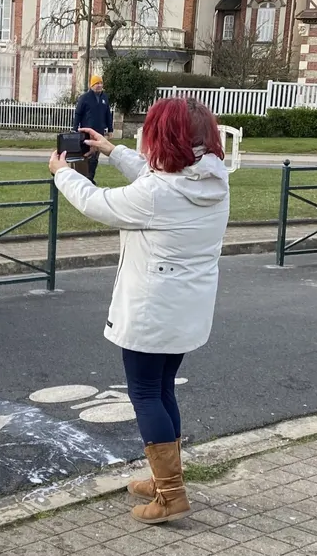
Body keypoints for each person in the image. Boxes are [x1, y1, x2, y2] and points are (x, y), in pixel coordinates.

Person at [48, 97, 229, 524]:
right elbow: (156, 174)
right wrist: (112, 151)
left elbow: (98, 203)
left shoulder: (156, 194)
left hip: (152, 311)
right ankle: (167, 480)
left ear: (163, 137)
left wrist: (62, 174)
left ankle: (171, 496)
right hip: (187, 308)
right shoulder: (211, 179)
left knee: (146, 394)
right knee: (163, 390)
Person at [71, 75, 113, 181]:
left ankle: (90, 177)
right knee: (87, 155)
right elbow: (78, 113)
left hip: (99, 132)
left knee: (95, 156)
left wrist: (110, 129)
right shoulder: (84, 98)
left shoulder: (104, 97)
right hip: (87, 132)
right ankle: (84, 177)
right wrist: (75, 128)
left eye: (101, 83)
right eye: (97, 83)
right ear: (92, 85)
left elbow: (108, 114)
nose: (99, 85)